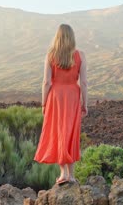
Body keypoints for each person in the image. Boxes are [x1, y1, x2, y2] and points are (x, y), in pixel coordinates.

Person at [33, 24, 88, 184]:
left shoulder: (51, 55)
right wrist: (85, 103)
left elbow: (46, 82)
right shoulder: (80, 55)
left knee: (59, 132)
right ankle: (71, 175)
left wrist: (43, 103)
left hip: (55, 97)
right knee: (71, 133)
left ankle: (63, 173)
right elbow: (83, 82)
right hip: (73, 96)